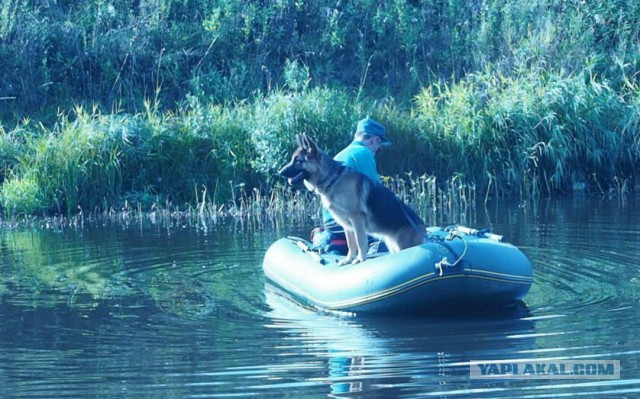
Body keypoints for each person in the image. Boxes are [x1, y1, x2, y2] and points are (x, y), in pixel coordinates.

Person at [311, 117, 391, 254]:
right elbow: (376, 196)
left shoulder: (339, 156)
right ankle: (374, 251)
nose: (378, 149)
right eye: (379, 145)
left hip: (332, 224)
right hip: (351, 221)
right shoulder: (364, 153)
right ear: (375, 140)